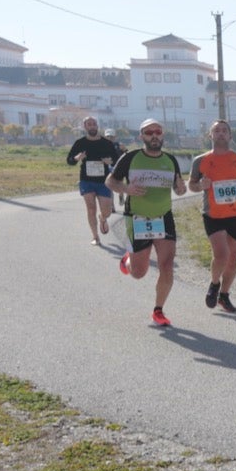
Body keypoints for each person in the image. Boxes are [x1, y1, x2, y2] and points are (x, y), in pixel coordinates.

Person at [108, 118, 186, 328]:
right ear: (141, 136)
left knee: (167, 265)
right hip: (137, 217)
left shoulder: (170, 160)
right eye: (148, 132)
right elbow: (110, 181)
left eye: (157, 131)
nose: (154, 135)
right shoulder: (130, 157)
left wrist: (181, 188)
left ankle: (158, 311)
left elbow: (180, 188)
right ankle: (127, 260)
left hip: (164, 217)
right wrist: (126, 190)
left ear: (162, 135)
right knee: (138, 273)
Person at [188, 119, 236, 313]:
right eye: (216, 131)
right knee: (221, 254)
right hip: (213, 214)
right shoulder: (200, 160)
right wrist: (200, 186)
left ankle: (224, 295)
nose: (220, 134)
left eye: (224, 131)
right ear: (210, 135)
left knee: (232, 259)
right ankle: (214, 284)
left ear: (230, 136)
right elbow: (191, 185)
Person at [66, 116, 118, 246]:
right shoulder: (80, 143)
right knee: (90, 208)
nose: (92, 126)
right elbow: (69, 160)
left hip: (103, 180)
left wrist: (110, 161)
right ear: (85, 127)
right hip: (86, 180)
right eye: (89, 124)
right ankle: (95, 237)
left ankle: (103, 218)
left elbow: (117, 160)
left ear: (97, 126)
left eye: (94, 124)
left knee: (106, 210)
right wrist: (77, 158)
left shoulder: (107, 143)